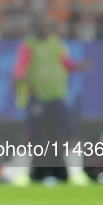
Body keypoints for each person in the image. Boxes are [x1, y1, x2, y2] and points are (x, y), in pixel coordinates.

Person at [11, 16, 92, 186]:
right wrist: (19, 78)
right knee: (30, 136)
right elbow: (21, 66)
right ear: (35, 28)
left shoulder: (57, 44)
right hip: (37, 96)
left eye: (47, 25)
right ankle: (21, 175)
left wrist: (78, 66)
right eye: (41, 25)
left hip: (58, 96)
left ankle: (76, 174)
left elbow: (65, 63)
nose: (45, 29)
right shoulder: (28, 45)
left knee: (70, 133)